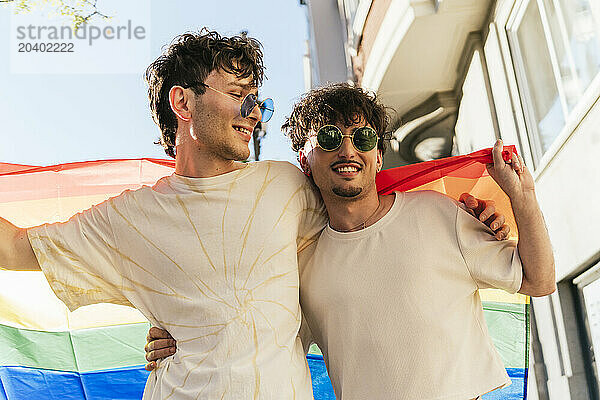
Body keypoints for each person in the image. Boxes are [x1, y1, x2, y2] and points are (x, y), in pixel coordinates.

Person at [1, 31, 506, 399]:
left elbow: (365, 215)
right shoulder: (129, 219)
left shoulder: (286, 184)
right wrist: (179, 326)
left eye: (256, 100)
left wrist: (473, 213)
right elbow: (15, 248)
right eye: (238, 96)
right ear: (182, 100)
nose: (254, 113)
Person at [145, 83, 555, 400]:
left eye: (362, 139)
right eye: (327, 138)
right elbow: (252, 342)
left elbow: (538, 281)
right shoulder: (298, 263)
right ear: (304, 159)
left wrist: (525, 199)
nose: (347, 150)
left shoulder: (440, 214)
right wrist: (182, 339)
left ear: (378, 156)